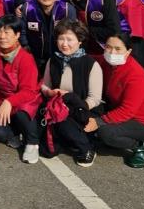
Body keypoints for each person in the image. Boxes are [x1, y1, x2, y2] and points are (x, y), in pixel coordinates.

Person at [85, 34, 144, 168]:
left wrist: (98, 122)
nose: (112, 53)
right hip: (119, 111)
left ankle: (139, 146)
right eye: (108, 47)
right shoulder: (106, 63)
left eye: (118, 49)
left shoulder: (136, 75)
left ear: (128, 51)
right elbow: (88, 58)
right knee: (87, 109)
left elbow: (127, 110)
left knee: (106, 133)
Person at [0, 16, 42, 164]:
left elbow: (28, 91)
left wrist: (9, 102)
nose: (2, 36)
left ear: (17, 35)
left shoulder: (26, 58)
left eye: (7, 32)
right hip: (3, 102)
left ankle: (32, 143)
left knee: (22, 114)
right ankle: (15, 136)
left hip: (25, 101)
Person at [41, 20, 103, 167]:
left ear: (80, 41)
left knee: (62, 121)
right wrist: (50, 92)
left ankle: (86, 148)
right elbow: (45, 85)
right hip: (58, 107)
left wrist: (77, 106)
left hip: (82, 110)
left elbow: (95, 98)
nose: (64, 44)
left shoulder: (91, 64)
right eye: (61, 39)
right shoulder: (53, 60)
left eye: (69, 39)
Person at [20, 0, 77, 76]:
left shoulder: (67, 9)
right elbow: (22, 31)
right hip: (35, 58)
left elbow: (73, 35)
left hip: (61, 58)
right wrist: (26, 47)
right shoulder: (27, 9)